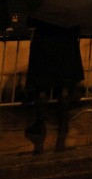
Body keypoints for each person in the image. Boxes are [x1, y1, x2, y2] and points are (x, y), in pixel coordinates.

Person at [24, 19, 83, 153]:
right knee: (64, 86)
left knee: (41, 86)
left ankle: (40, 123)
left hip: (44, 45)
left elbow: (30, 22)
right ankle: (63, 123)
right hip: (66, 46)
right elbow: (77, 27)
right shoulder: (70, 9)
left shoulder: (44, 8)